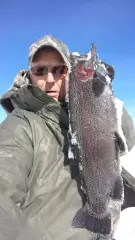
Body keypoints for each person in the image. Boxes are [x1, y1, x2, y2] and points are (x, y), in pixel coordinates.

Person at [0, 35, 135, 240]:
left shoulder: (79, 113)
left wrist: (101, 91)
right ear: (29, 76)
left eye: (59, 70)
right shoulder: (20, 126)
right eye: (40, 70)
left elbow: (127, 139)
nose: (50, 79)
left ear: (69, 75)